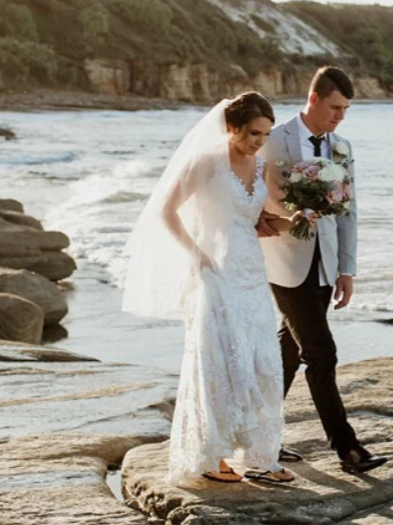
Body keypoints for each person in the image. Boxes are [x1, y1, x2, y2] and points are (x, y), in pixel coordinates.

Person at [121, 92, 295, 485]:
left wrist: (296, 222)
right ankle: (210, 455)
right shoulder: (207, 162)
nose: (258, 141)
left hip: (251, 273)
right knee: (217, 363)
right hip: (215, 273)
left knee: (262, 361)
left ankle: (261, 455)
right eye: (253, 132)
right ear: (232, 127)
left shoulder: (262, 163)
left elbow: (257, 221)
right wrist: (196, 254)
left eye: (265, 134)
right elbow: (165, 211)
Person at [259, 66, 388, 475]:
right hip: (282, 261)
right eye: (335, 107)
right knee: (321, 354)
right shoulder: (273, 139)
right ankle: (347, 448)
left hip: (325, 265)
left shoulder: (342, 147)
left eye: (346, 109)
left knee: (289, 352)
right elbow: (249, 189)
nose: (340, 116)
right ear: (314, 99)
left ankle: (261, 438)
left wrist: (347, 270)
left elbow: (349, 211)